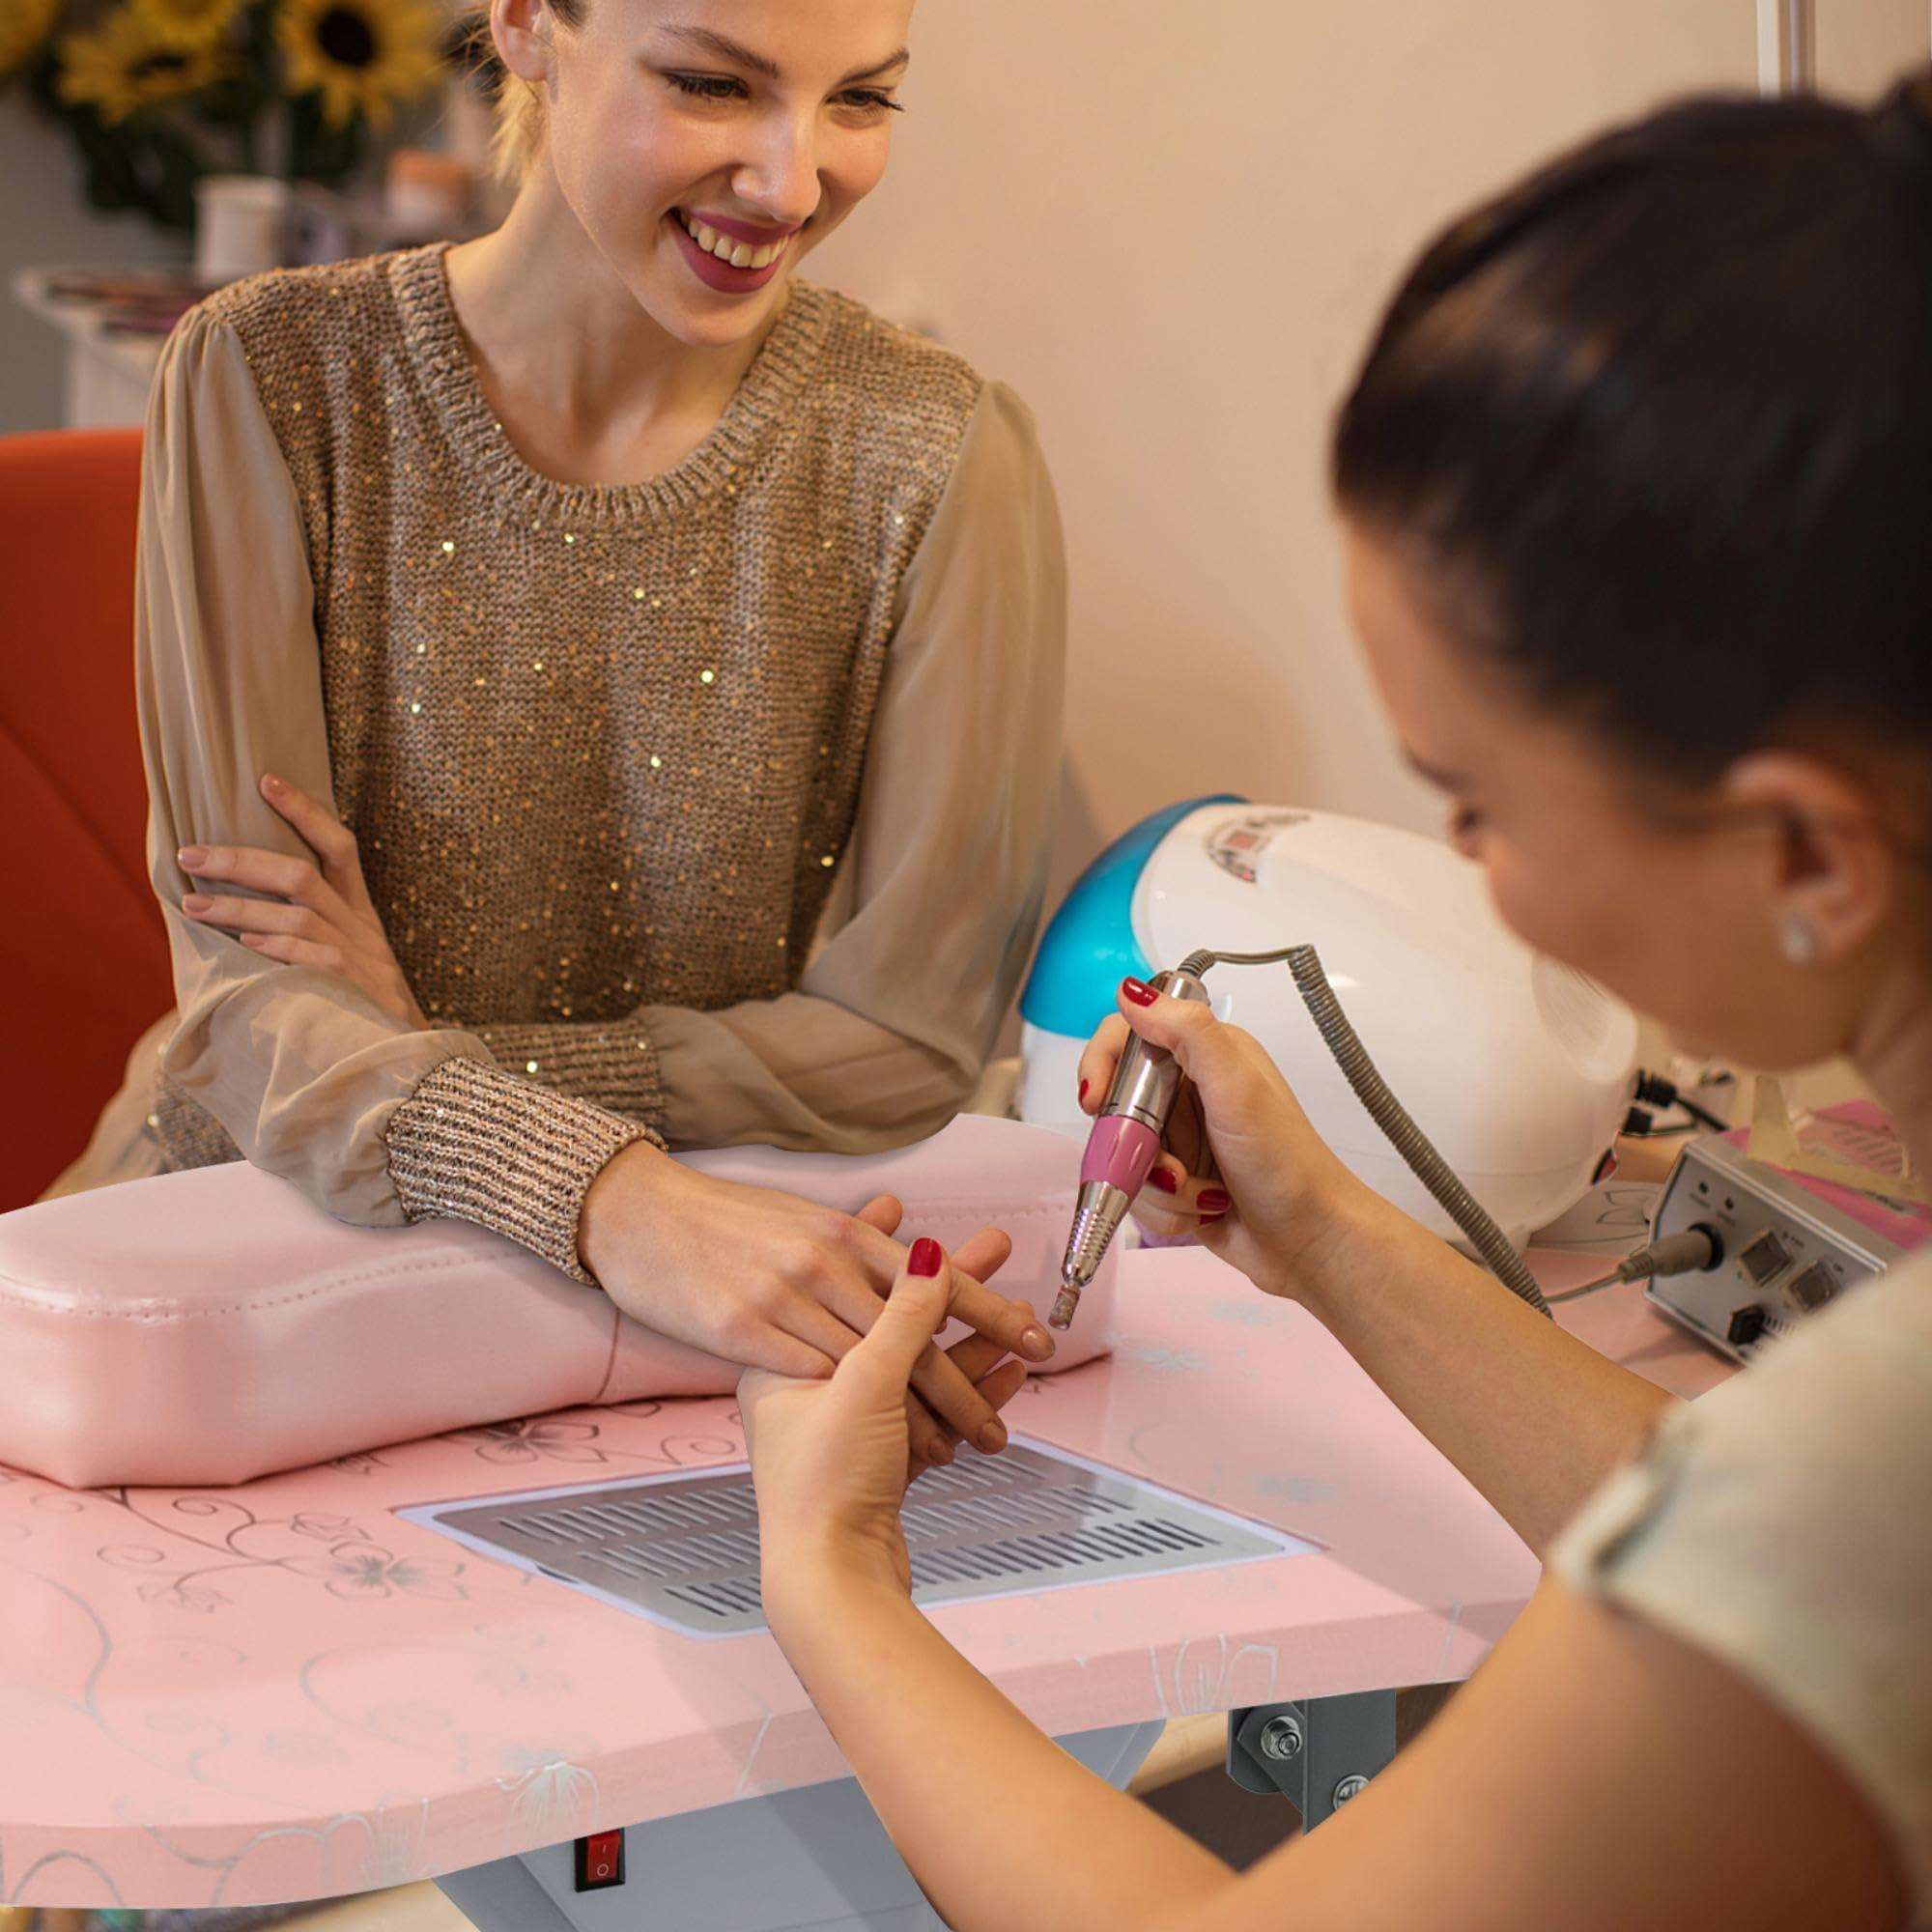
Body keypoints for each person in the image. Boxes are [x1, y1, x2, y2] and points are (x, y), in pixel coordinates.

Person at [738, 73, 1932, 1930]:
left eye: (1481, 805)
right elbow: (1753, 1553)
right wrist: (1330, 1240)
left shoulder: (1864, 1468)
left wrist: (829, 1573)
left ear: (1807, 855)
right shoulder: (1841, 1492)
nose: (1477, 876)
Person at [57, 0, 1067, 1458]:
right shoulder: (270, 380)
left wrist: (419, 1045)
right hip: (237, 1290)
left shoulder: (942, 454)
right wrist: (612, 1193)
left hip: (678, 1332)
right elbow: (249, 1019)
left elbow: (905, 1038)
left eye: (861, 102)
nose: (791, 186)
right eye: (713, 84)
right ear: (528, 23)